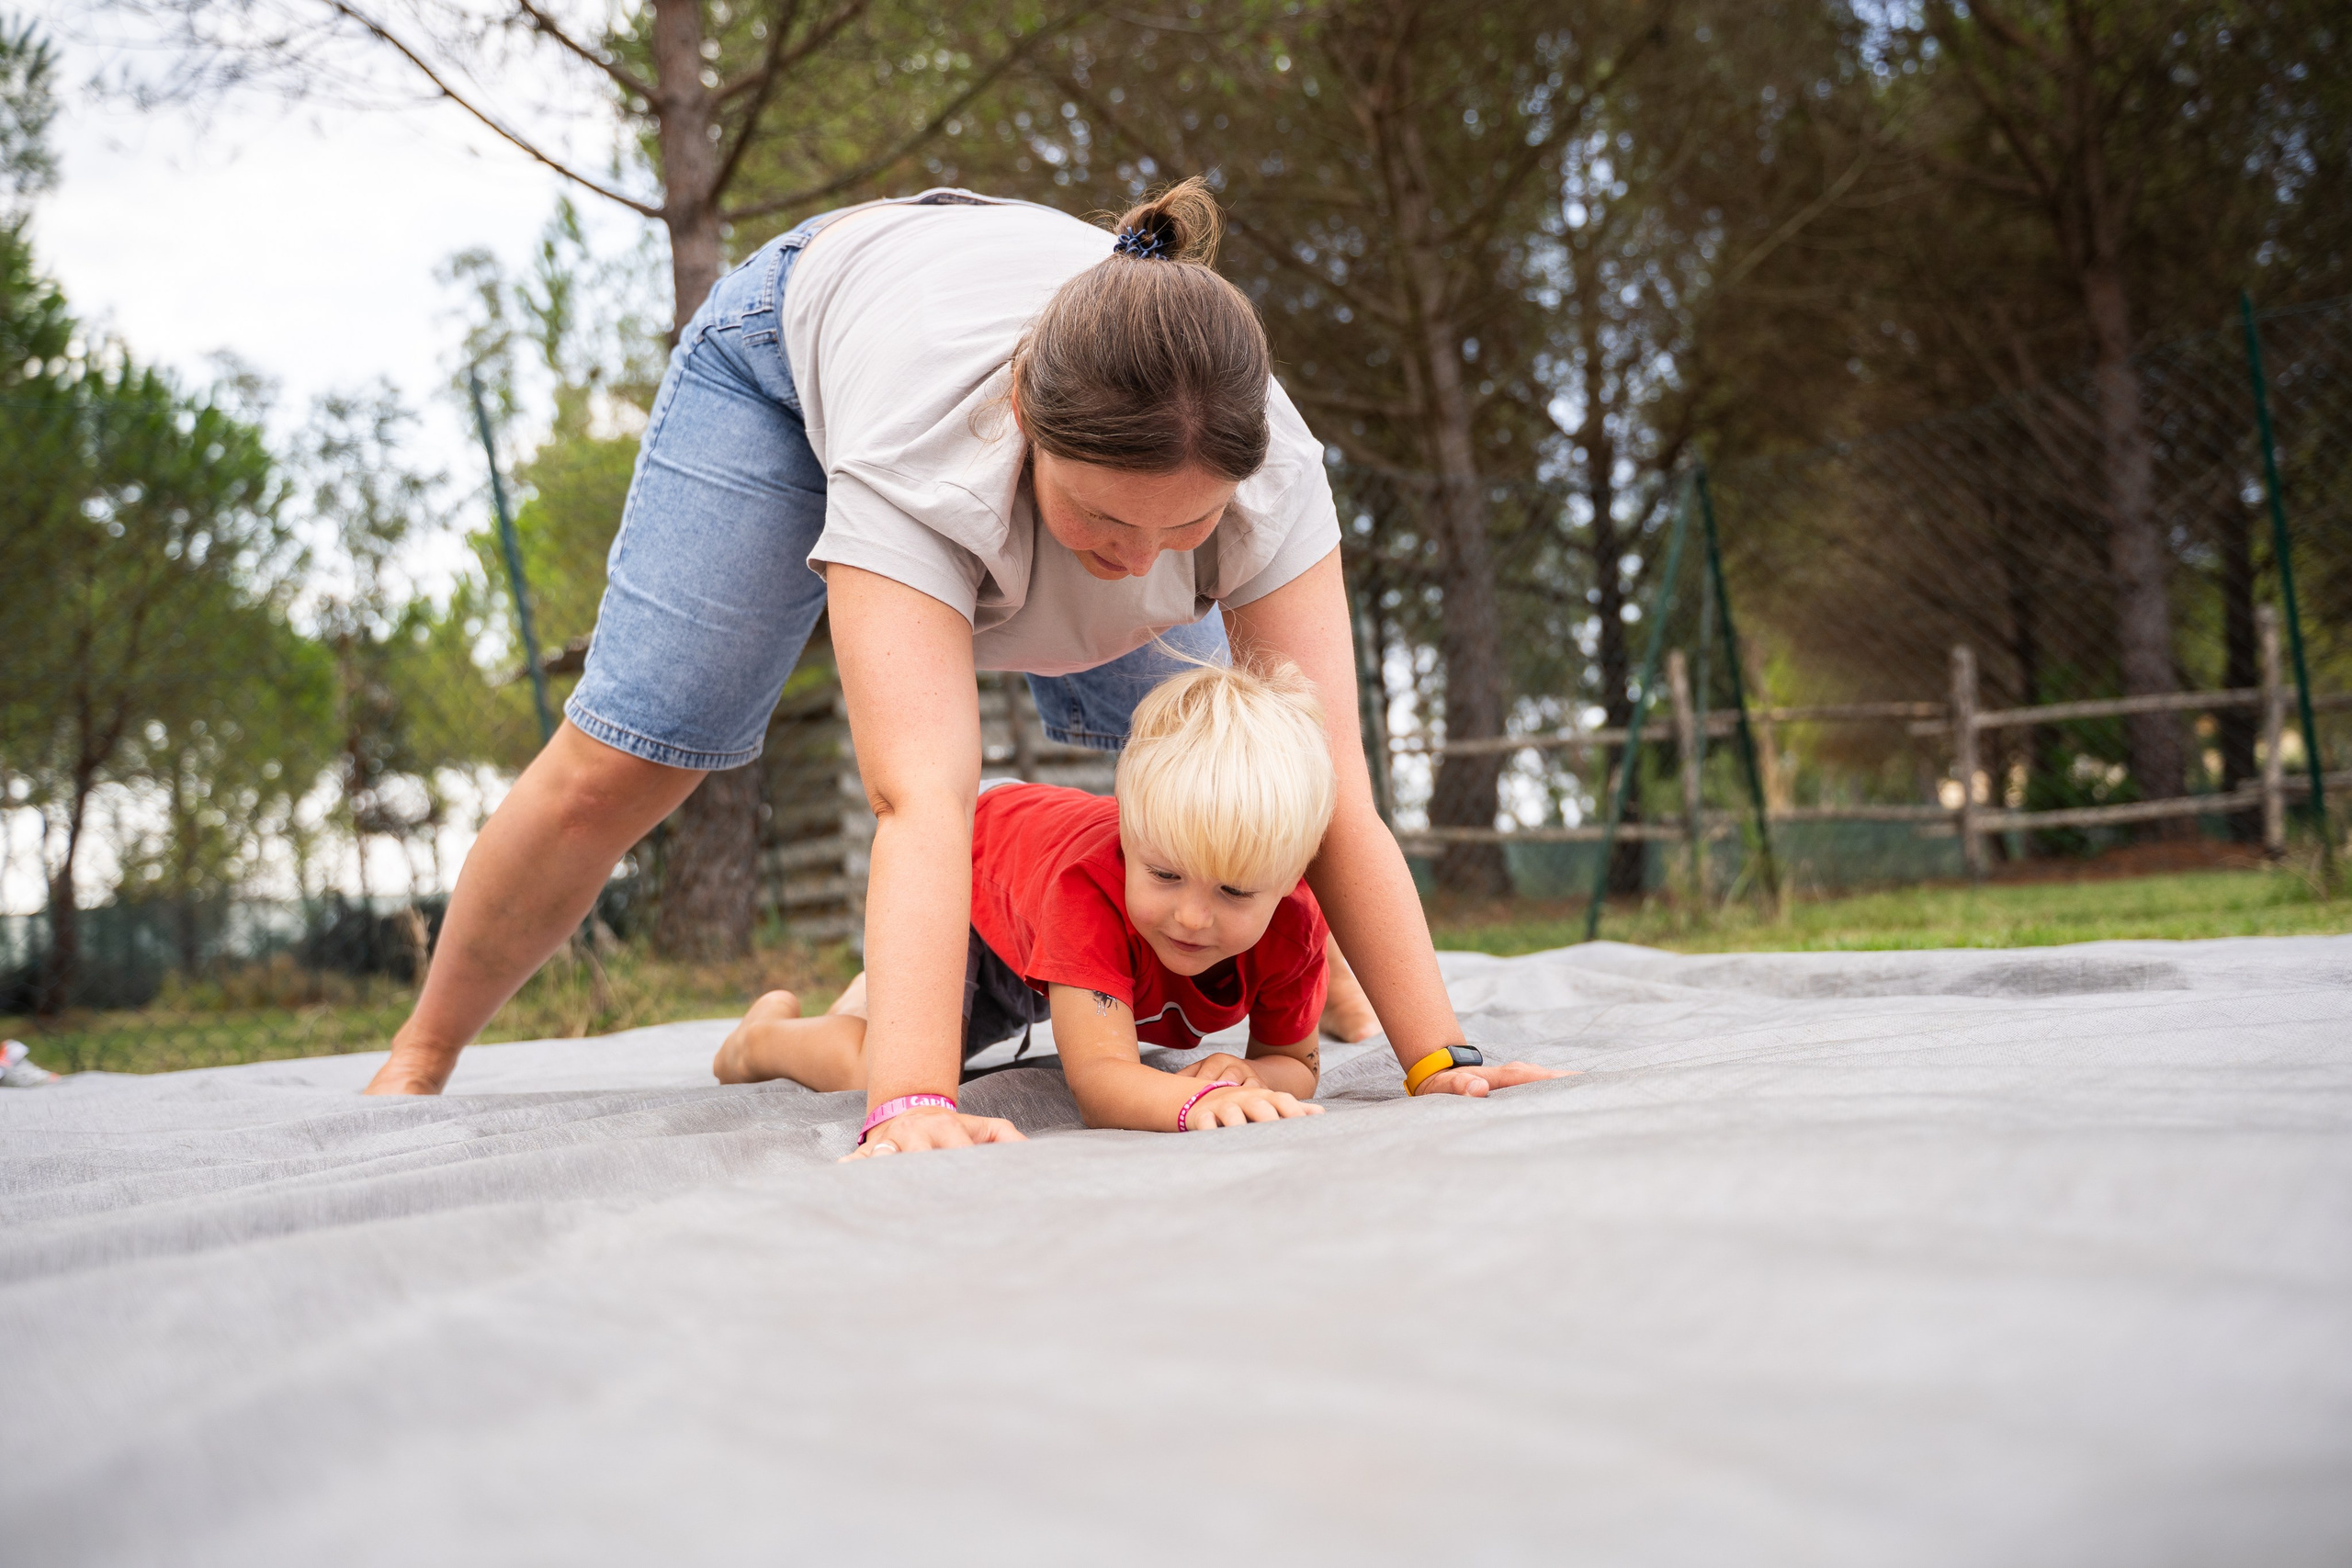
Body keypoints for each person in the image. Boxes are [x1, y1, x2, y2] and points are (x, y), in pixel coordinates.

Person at [365, 176, 1559, 1152]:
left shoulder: (1266, 467)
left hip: (1071, 383)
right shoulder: (925, 455)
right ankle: (422, 1050)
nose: (1134, 565)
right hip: (790, 365)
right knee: (627, 759)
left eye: (1183, 533)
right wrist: (914, 1102)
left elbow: (1331, 776)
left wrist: (1438, 1054)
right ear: (1029, 429)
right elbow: (922, 801)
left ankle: (1337, 989)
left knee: (1234, 781)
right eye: (1104, 527)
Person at [717, 661, 1369, 1143]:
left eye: (1232, 891)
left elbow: (1296, 1063)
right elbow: (1101, 1081)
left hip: (1042, 902)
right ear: (1129, 836)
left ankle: (870, 996)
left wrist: (1254, 1077)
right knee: (880, 1063)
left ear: (1290, 877)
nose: (1193, 915)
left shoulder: (1295, 926)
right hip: (976, 880)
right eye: (1165, 874)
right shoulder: (1091, 890)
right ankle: (758, 1041)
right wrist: (1190, 1101)